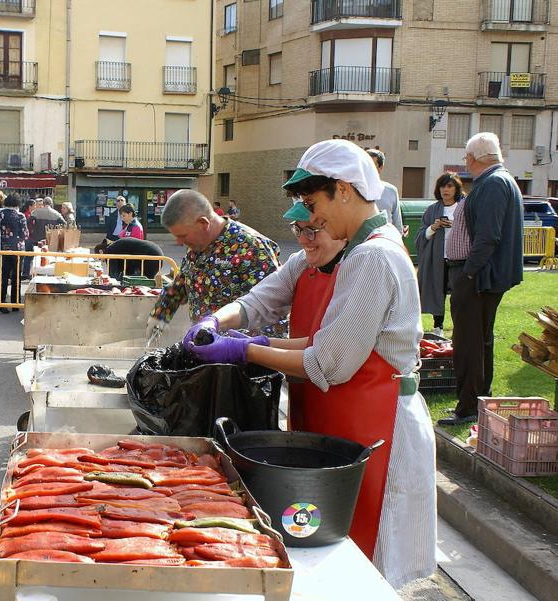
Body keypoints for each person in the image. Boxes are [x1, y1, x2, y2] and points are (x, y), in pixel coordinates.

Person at [184, 139, 435, 587]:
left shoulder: (373, 258)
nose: (311, 219)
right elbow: (264, 302)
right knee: (326, 544)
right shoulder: (340, 253)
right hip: (332, 419)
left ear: (344, 190)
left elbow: (330, 361)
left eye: (313, 204)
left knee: (361, 561)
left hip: (376, 427)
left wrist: (245, 349)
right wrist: (219, 322)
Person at [198, 202, 347, 430]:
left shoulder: (362, 267)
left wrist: (247, 348)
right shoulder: (300, 263)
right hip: (306, 400)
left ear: (340, 227)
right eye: (297, 229)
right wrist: (215, 320)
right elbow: (256, 301)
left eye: (311, 230)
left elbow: (327, 354)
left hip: (355, 410)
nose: (303, 239)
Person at [439, 133, 524, 427]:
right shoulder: (499, 180)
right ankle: (478, 401)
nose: (466, 163)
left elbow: (489, 236)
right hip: (482, 277)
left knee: (469, 342)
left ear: (473, 158)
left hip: (479, 278)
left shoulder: (493, 183)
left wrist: (469, 271)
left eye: (466, 158)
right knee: (479, 340)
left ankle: (469, 407)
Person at [145, 190, 279, 340]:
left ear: (203, 223)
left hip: (242, 352)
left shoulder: (251, 246)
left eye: (183, 236)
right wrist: (160, 315)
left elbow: (273, 307)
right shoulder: (197, 245)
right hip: (204, 346)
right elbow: (181, 284)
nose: (180, 243)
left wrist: (247, 349)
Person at [415, 172, 463, 337]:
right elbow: (421, 237)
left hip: (459, 259)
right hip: (438, 259)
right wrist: (434, 227)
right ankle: (438, 328)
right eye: (442, 186)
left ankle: (460, 327)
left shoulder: (464, 207)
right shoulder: (432, 210)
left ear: (457, 189)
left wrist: (454, 226)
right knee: (438, 292)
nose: (445, 190)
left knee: (459, 296)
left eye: (449, 186)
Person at [0, 193, 28, 313]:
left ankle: (1, 302)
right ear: (18, 203)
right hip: (17, 250)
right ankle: (15, 303)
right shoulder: (20, 216)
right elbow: (25, 234)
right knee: (16, 277)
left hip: (3, 249)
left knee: (3, 276)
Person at [366, 148, 405, 235]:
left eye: (371, 165)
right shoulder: (353, 189)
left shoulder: (391, 190)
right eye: (365, 165)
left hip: (385, 240)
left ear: (380, 168)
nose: (367, 169)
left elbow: (397, 224)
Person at [100, 237, 165, 281]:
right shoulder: (115, 247)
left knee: (141, 283)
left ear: (101, 252)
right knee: (142, 281)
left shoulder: (110, 251)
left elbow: (113, 276)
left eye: (99, 257)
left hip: (151, 257)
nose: (100, 260)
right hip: (156, 254)